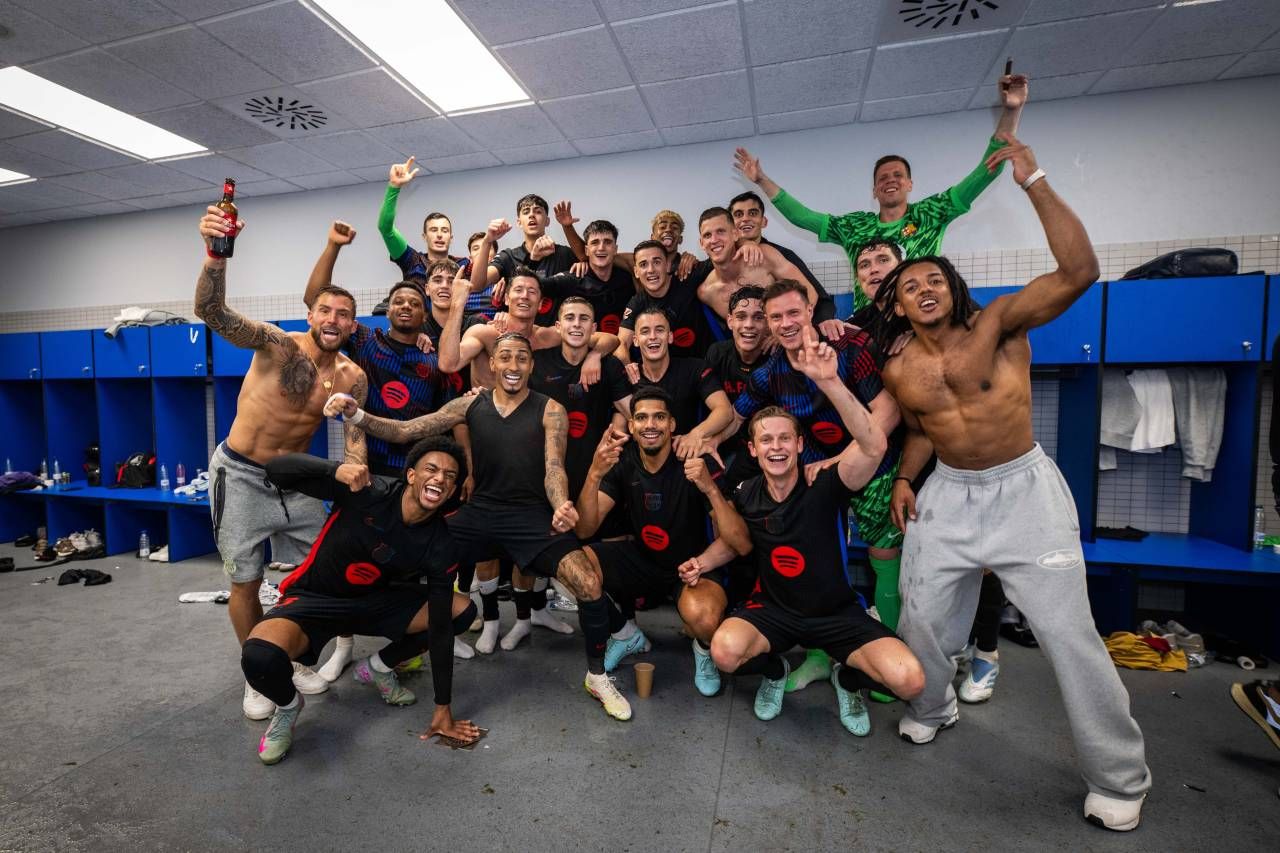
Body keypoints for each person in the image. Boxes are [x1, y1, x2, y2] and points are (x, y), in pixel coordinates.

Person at [878, 134, 1150, 830]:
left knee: (1069, 635)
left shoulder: (999, 324)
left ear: (952, 287)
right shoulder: (900, 367)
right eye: (910, 286)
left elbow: (1080, 269)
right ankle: (933, 706)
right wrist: (907, 479)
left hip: (1023, 491)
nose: (924, 289)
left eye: (934, 280)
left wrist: (1034, 180)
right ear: (898, 306)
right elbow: (921, 429)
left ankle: (1119, 776)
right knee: (922, 617)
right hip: (947, 493)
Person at [328, 333, 635, 721]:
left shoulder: (550, 409)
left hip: (532, 517)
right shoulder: (470, 403)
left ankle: (597, 677)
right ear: (493, 364)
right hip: (480, 514)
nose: (513, 365)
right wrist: (355, 414)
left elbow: (554, 467)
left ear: (531, 365)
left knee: (588, 583)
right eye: (505, 357)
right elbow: (407, 430)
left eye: (521, 358)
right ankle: (393, 657)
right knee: (405, 567)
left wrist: (560, 504)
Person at [695, 327, 924, 736]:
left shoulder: (825, 481)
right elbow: (736, 543)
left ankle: (847, 680)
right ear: (753, 450)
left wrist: (830, 381)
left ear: (800, 445)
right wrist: (700, 563)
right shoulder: (746, 492)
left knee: (909, 680)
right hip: (775, 612)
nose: (776, 447)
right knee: (724, 653)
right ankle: (775, 672)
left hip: (836, 615)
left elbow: (873, 446)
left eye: (785, 438)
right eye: (767, 440)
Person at [194, 206, 367, 720]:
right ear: (310, 314)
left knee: (324, 573)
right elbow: (211, 311)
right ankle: (259, 673)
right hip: (241, 475)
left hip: (298, 481)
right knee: (246, 580)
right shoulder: (275, 345)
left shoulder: (353, 377)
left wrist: (352, 472)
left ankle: (292, 657)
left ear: (352, 324)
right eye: (325, 310)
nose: (333, 320)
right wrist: (215, 255)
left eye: (343, 314)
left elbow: (355, 436)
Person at [241, 439, 481, 764]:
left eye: (450, 476)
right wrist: (335, 470)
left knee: (461, 612)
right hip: (316, 599)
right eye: (432, 469)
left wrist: (443, 709)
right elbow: (276, 470)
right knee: (258, 657)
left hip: (375, 604)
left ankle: (378, 667)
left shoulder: (441, 543)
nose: (440, 478)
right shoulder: (368, 491)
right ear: (411, 475)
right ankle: (288, 707)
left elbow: (439, 627)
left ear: (452, 491)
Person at [303, 224, 478, 664]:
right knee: (354, 554)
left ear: (424, 313)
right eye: (399, 300)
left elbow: (451, 418)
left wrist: (468, 469)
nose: (406, 306)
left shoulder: (434, 359)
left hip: (414, 477)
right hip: (368, 470)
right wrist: (332, 247)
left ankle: (413, 641)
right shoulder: (366, 341)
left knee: (410, 561)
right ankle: (343, 644)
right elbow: (315, 299)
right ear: (387, 309)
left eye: (415, 303)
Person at [726, 279, 903, 693]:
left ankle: (881, 655)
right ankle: (820, 657)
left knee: (884, 557)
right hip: (813, 476)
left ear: (810, 311)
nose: (786, 323)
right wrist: (701, 437)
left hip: (870, 467)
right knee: (819, 564)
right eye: (776, 317)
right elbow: (736, 417)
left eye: (793, 312)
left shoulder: (848, 349)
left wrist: (839, 462)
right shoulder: (771, 371)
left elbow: (888, 411)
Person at [852, 237, 1007, 703]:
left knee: (982, 560)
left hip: (968, 456)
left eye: (883, 260)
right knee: (919, 559)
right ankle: (926, 650)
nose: (874, 269)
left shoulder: (954, 314)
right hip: (906, 456)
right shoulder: (862, 325)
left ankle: (986, 651)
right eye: (864, 264)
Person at [733, 73, 1029, 313]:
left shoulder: (931, 213)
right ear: (874, 190)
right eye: (882, 178)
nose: (890, 181)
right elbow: (802, 217)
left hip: (924, 319)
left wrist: (1011, 111)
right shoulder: (855, 226)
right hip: (872, 326)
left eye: (898, 175)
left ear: (910, 184)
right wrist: (762, 180)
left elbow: (985, 173)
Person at [575, 387, 751, 696]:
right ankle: (624, 633)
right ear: (631, 426)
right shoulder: (623, 461)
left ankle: (702, 648)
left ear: (672, 424)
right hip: (642, 560)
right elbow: (584, 529)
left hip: (689, 567)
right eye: (642, 418)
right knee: (573, 566)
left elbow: (741, 543)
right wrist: (593, 474)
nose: (650, 425)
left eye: (659, 417)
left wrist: (710, 488)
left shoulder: (695, 461)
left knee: (706, 618)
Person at [497, 296, 632, 651]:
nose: (576, 324)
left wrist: (621, 428)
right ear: (558, 326)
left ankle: (620, 623)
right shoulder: (539, 363)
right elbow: (509, 394)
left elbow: (629, 409)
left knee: (598, 550)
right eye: (569, 318)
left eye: (584, 319)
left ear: (594, 327)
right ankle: (525, 619)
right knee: (529, 551)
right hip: (543, 475)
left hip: (595, 477)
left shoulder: (608, 365)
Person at [683, 191, 839, 329]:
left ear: (735, 234)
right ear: (701, 243)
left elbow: (811, 295)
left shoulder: (769, 255)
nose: (714, 239)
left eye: (721, 231)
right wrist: (686, 259)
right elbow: (739, 330)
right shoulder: (706, 290)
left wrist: (785, 333)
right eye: (707, 235)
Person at [626, 303, 734, 460]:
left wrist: (695, 435)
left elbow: (725, 411)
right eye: (645, 331)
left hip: (684, 457)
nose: (653, 336)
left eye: (659, 330)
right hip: (643, 461)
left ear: (670, 337)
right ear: (635, 340)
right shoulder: (628, 376)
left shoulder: (694, 368)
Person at [702, 286, 768, 494]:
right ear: (730, 321)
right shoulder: (717, 353)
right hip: (726, 442)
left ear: (769, 323)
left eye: (758, 317)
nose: (749, 325)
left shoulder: (777, 359)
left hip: (766, 450)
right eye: (741, 316)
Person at [475, 194, 578, 325]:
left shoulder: (564, 254)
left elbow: (593, 266)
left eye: (538, 211)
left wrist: (583, 263)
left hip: (554, 332)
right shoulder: (508, 256)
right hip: (517, 332)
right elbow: (477, 285)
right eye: (526, 211)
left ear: (547, 221)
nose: (532, 215)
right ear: (519, 222)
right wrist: (487, 241)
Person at [618, 240, 716, 359]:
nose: (651, 270)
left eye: (657, 262)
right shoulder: (636, 304)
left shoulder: (687, 276)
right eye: (643, 264)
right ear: (636, 272)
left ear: (667, 265)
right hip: (662, 369)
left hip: (702, 364)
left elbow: (725, 258)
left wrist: (743, 244)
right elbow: (622, 344)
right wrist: (628, 366)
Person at [540, 219, 635, 335]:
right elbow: (533, 284)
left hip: (617, 345)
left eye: (607, 242)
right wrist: (534, 259)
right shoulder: (572, 279)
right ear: (586, 250)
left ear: (615, 249)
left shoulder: (627, 280)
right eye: (595, 243)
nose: (601, 248)